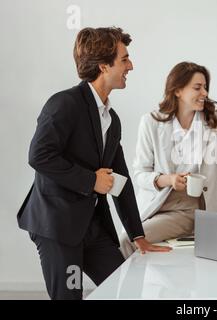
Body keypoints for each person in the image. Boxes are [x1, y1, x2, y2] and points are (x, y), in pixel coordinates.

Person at [17, 27, 170, 300]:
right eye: (124, 59)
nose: (130, 66)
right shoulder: (63, 104)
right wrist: (92, 180)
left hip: (92, 227)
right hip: (58, 226)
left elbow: (121, 180)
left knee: (128, 289)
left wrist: (138, 235)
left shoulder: (112, 120)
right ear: (103, 65)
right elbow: (39, 155)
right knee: (70, 297)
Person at [120, 62, 217, 258]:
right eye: (197, 87)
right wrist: (168, 180)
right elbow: (139, 174)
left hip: (188, 208)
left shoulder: (215, 123)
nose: (204, 92)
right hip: (155, 203)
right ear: (178, 90)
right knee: (125, 240)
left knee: (127, 240)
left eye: (205, 87)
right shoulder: (151, 122)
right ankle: (133, 287)